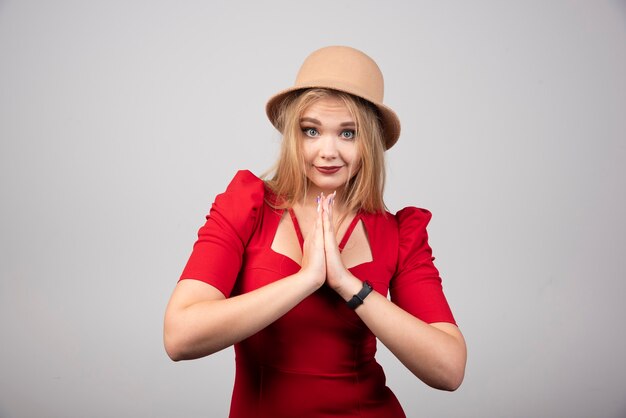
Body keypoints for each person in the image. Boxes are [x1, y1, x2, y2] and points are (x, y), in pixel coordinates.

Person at [164, 45, 466, 417]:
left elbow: (449, 369)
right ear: (294, 134)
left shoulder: (399, 234)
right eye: (312, 130)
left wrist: (347, 284)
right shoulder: (247, 206)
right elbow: (179, 337)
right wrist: (306, 279)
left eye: (347, 133)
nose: (327, 151)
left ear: (369, 141)